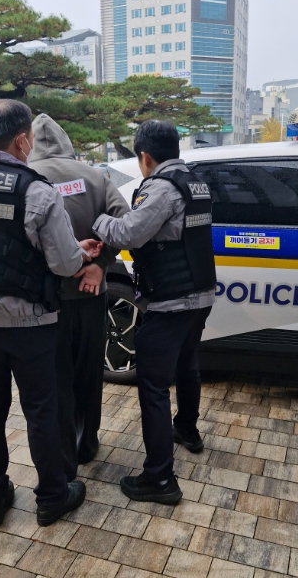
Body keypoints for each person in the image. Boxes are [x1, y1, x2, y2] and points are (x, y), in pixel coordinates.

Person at [0, 99, 102, 528]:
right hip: (30, 323)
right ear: (23, 140)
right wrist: (79, 253)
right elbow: (63, 264)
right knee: (42, 409)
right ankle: (52, 497)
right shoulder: (37, 191)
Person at [92, 119, 217, 504]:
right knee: (187, 364)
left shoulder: (161, 188)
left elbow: (128, 233)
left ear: (145, 156)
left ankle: (160, 478)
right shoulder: (195, 182)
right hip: (200, 295)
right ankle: (187, 430)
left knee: (153, 385)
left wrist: (96, 219)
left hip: (172, 301)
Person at [27, 114, 129, 481]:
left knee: (56, 378)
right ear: (67, 141)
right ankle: (88, 444)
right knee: (89, 372)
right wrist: (100, 263)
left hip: (46, 300)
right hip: (91, 293)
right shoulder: (94, 176)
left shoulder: (26, 179)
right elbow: (126, 222)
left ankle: (64, 450)